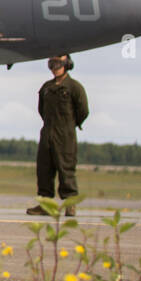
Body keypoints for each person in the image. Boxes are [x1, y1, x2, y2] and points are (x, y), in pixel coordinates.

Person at [26, 54, 88, 216]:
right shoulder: (46, 87)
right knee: (44, 169)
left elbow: (83, 111)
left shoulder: (74, 87)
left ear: (67, 64)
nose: (54, 67)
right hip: (47, 133)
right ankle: (45, 205)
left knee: (66, 169)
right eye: (51, 63)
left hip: (65, 135)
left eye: (58, 63)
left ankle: (70, 205)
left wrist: (68, 126)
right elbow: (41, 110)